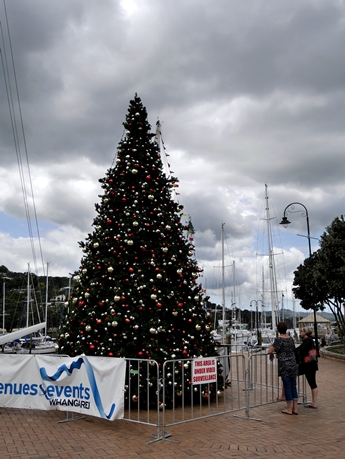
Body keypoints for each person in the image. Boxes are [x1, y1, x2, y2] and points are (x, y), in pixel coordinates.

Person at [268, 322, 298, 415]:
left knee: (287, 386)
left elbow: (270, 350)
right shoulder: (291, 339)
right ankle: (295, 408)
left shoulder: (279, 340)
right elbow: (293, 349)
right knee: (293, 385)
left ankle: (289, 408)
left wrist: (272, 354)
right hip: (293, 364)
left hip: (284, 365)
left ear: (278, 330)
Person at [298, 327, 318, 409]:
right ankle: (314, 402)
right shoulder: (309, 341)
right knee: (312, 383)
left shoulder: (308, 341)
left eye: (302, 331)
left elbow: (301, 350)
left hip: (309, 364)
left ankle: (314, 402)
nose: (300, 332)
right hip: (310, 364)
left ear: (305, 332)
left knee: (312, 383)